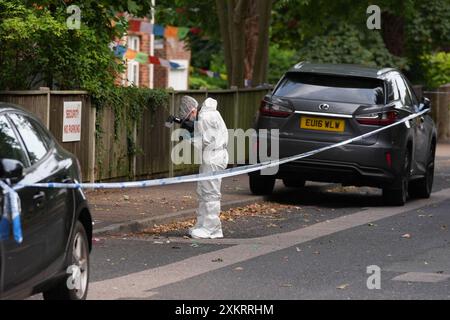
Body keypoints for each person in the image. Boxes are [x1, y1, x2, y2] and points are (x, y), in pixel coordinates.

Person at [178, 96, 229, 239]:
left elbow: (208, 141)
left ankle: (212, 228)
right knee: (203, 191)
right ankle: (202, 224)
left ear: (193, 111)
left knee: (210, 193)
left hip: (214, 156)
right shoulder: (206, 116)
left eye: (189, 118)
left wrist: (190, 138)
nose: (190, 121)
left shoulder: (206, 117)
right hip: (210, 156)